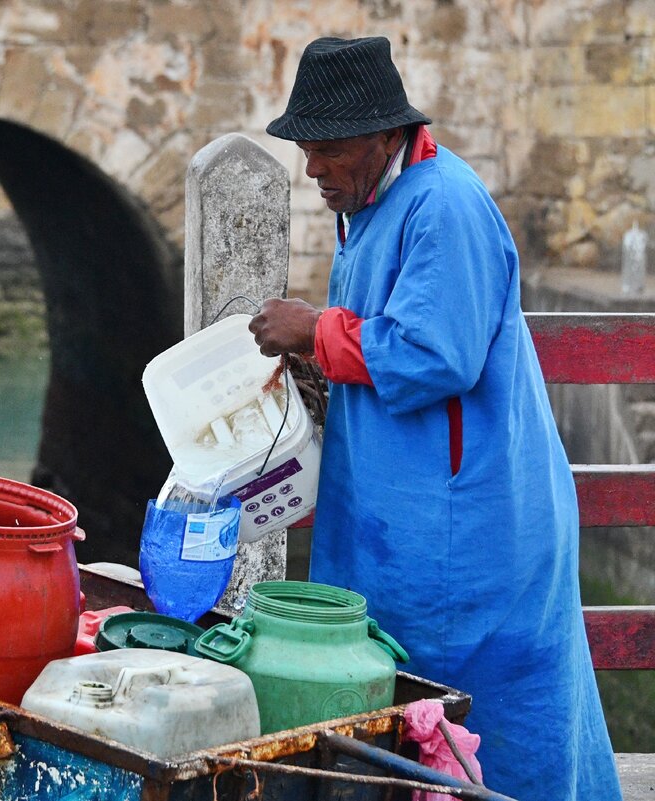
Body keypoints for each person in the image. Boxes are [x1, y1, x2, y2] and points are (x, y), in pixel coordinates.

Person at [249, 36, 622, 800]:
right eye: (306, 150)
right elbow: (379, 333)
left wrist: (313, 330)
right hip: (402, 517)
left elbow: (433, 353)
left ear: (385, 136)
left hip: (469, 530)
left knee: (488, 713)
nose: (312, 168)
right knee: (405, 713)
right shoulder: (373, 204)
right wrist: (314, 375)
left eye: (327, 150)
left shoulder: (443, 204)